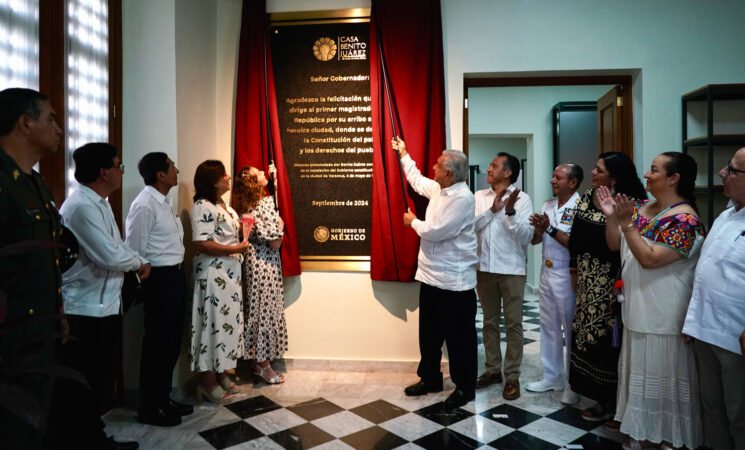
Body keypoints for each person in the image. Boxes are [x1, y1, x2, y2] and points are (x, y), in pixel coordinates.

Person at [599, 152, 703, 450]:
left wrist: (627, 224)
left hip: (663, 317)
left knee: (662, 383)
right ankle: (643, 435)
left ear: (674, 178)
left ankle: (665, 438)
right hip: (638, 311)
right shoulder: (644, 208)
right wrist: (611, 217)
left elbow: (649, 259)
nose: (646, 175)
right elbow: (614, 243)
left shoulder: (685, 220)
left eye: (654, 170)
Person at [60, 142, 149, 449]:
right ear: (103, 172)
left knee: (98, 378)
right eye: (118, 165)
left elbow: (118, 245)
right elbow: (109, 255)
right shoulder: (82, 206)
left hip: (104, 305)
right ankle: (85, 441)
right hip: (84, 308)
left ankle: (93, 437)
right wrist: (140, 263)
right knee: (84, 382)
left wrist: (136, 259)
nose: (122, 171)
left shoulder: (99, 202)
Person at [392, 137, 478, 409]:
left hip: (455, 282)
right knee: (429, 335)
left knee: (459, 339)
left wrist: (412, 221)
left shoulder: (463, 198)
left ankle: (465, 388)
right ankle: (430, 378)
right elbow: (417, 180)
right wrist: (405, 153)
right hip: (430, 277)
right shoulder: (440, 190)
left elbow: (439, 231)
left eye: (438, 166)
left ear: (449, 174)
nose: (433, 168)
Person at [0, 88, 64, 449]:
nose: (59, 129)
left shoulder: (36, 184)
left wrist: (58, 312)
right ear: (25, 123)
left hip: (41, 330)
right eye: (50, 118)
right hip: (11, 339)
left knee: (34, 423)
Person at [568, 151, 646, 424]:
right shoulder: (589, 197)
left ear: (614, 177)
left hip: (615, 283)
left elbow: (629, 244)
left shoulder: (632, 203)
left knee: (609, 339)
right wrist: (574, 269)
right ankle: (595, 395)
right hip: (588, 279)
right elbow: (576, 235)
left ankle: (614, 402)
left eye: (599, 170)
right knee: (585, 334)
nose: (593, 172)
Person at [682, 147, 745, 450]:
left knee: (739, 415)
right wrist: (691, 320)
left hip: (736, 338)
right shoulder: (726, 214)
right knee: (711, 410)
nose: (722, 173)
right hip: (705, 330)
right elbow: (706, 272)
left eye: (731, 169)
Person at [125, 152, 193, 426]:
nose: (177, 170)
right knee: (157, 344)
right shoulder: (144, 205)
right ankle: (150, 408)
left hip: (174, 277)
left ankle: (163, 398)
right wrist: (145, 282)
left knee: (171, 343)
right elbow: (135, 248)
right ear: (160, 175)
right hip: (158, 280)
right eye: (172, 166)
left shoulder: (164, 202)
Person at [473, 153, 533, 400]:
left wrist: (510, 213)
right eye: (490, 164)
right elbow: (470, 228)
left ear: (508, 173)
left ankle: (512, 376)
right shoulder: (478, 197)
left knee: (513, 325)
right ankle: (492, 371)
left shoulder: (523, 199)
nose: (488, 168)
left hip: (511, 271)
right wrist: (492, 210)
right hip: (483, 269)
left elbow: (527, 237)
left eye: (494, 165)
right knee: (488, 323)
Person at [189, 160, 249, 403]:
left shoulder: (224, 206)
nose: (228, 177)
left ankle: (221, 372)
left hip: (229, 276)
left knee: (224, 325)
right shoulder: (202, 206)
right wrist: (237, 247)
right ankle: (206, 381)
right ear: (213, 181)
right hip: (214, 276)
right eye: (223, 174)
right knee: (211, 325)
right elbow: (202, 242)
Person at [526, 164, 583, 405]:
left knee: (570, 329)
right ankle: (551, 375)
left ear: (572, 182)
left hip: (567, 272)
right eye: (553, 177)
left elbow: (574, 243)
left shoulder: (580, 208)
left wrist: (549, 227)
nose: (552, 180)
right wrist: (539, 228)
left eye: (558, 178)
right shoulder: (548, 204)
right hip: (546, 271)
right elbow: (537, 241)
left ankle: (573, 383)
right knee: (548, 326)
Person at [232, 165, 288, 384]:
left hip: (254, 265)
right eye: (260, 174)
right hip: (266, 266)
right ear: (254, 183)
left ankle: (258, 363)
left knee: (257, 311)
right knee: (264, 312)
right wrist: (280, 226)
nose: (265, 174)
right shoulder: (263, 205)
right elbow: (275, 242)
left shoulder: (248, 205)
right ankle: (262, 366)